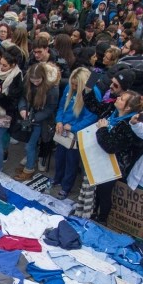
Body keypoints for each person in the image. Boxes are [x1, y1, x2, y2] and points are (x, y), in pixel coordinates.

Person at [85, 90, 143, 222]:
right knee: (97, 190)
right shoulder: (112, 112)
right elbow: (95, 107)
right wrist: (88, 89)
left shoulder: (128, 125)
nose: (118, 98)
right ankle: (92, 212)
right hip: (100, 159)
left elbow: (111, 147)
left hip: (114, 165)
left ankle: (102, 219)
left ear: (127, 108)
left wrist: (102, 129)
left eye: (121, 98)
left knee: (104, 193)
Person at [51, 67, 96, 200]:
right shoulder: (68, 89)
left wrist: (74, 127)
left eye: (77, 85)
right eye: (73, 84)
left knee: (71, 161)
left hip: (75, 133)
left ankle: (66, 187)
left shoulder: (90, 94)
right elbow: (60, 107)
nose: (74, 86)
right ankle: (57, 178)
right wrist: (58, 121)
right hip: (62, 130)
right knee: (59, 156)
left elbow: (91, 117)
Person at [14, 62, 60, 181]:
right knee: (29, 145)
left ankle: (29, 169)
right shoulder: (28, 81)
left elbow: (50, 109)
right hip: (30, 117)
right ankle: (30, 163)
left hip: (41, 121)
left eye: (38, 80)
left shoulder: (52, 88)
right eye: (33, 80)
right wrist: (23, 109)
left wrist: (33, 117)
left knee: (30, 146)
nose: (35, 83)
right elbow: (23, 97)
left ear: (44, 77)